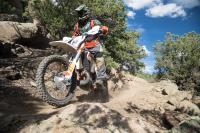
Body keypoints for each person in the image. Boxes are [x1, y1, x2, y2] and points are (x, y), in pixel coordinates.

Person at [73, 4, 109, 89]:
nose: (80, 15)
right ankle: (79, 76)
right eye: (79, 13)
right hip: (82, 46)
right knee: (76, 58)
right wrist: (73, 38)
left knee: (99, 55)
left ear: (85, 13)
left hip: (94, 44)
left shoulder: (93, 22)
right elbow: (75, 35)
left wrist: (102, 29)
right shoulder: (78, 25)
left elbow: (104, 28)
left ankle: (101, 77)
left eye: (81, 13)